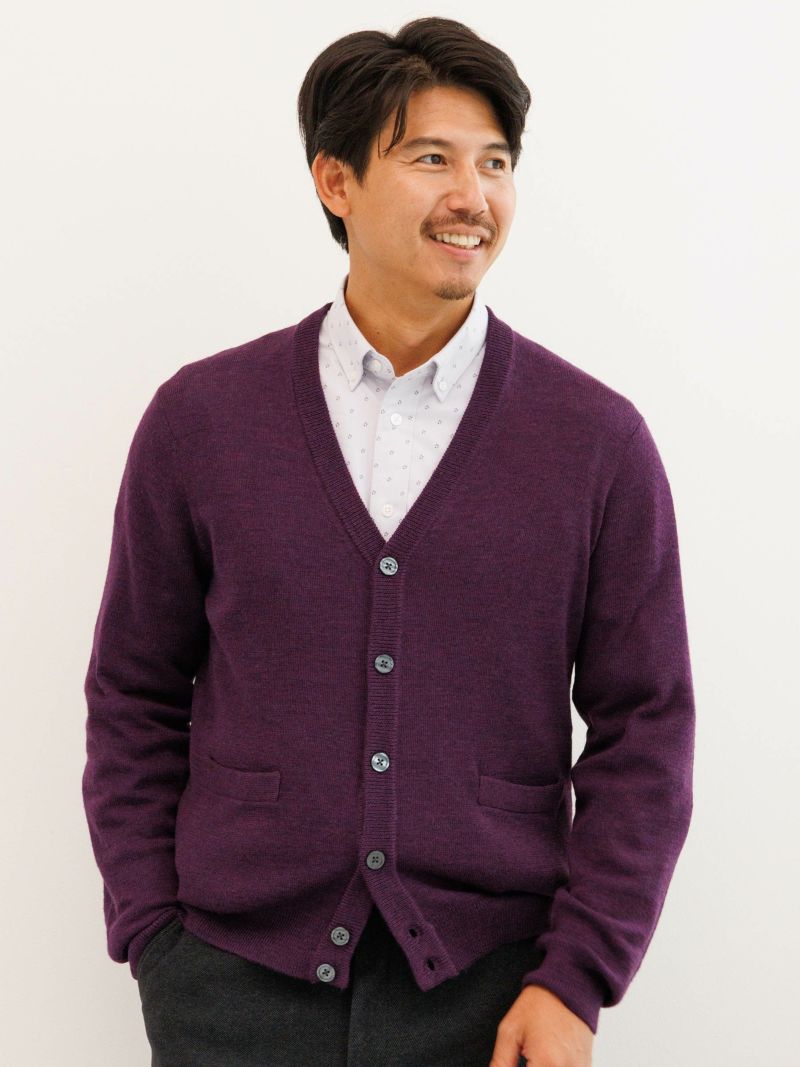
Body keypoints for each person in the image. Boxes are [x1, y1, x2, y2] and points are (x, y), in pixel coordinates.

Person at [81, 16, 695, 1067]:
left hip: (494, 995)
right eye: (431, 158)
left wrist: (574, 979)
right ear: (336, 181)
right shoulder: (202, 421)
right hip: (230, 983)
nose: (473, 196)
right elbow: (133, 691)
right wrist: (155, 936)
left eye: (493, 162)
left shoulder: (596, 442)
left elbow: (647, 728)